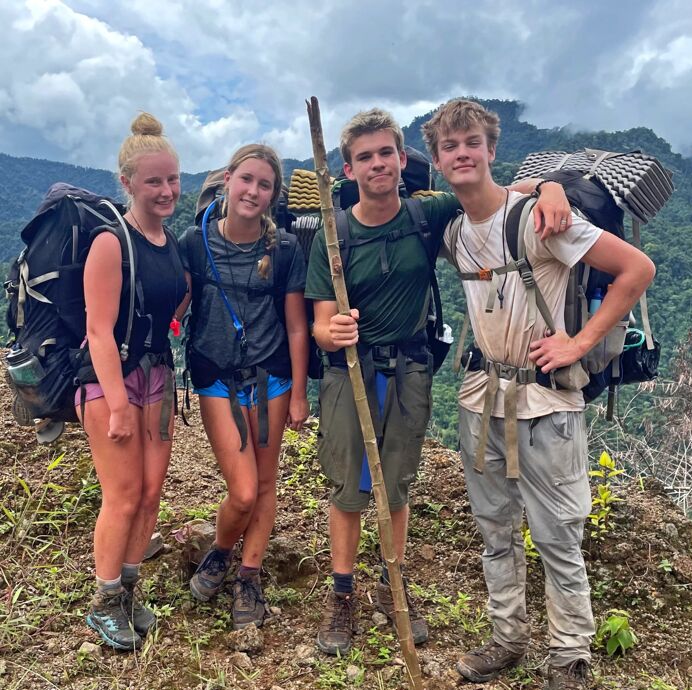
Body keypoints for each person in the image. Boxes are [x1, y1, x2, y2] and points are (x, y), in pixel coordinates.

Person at [305, 107, 572, 656]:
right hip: (350, 373)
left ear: (403, 160)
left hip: (409, 371)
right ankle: (342, 595)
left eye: (386, 153)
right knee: (348, 489)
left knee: (396, 484)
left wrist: (549, 186)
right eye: (364, 157)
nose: (377, 164)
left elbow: (493, 193)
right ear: (349, 170)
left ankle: (392, 583)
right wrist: (333, 330)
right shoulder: (334, 233)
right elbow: (318, 324)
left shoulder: (426, 216)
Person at [421, 99, 655, 690]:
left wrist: (578, 343)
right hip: (482, 399)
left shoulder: (538, 221)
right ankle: (507, 638)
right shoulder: (453, 233)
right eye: (450, 146)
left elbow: (636, 269)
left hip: (546, 402)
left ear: (491, 149)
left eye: (472, 141)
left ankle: (569, 660)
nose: (462, 153)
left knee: (557, 539)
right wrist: (540, 182)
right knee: (495, 531)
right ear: (438, 160)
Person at [183, 144, 309, 630]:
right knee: (242, 490)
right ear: (228, 180)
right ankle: (219, 550)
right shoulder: (195, 244)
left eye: (264, 185)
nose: (253, 191)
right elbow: (179, 304)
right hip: (217, 378)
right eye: (247, 180)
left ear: (273, 196)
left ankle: (249, 574)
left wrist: (299, 392)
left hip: (271, 376)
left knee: (266, 481)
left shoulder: (284, 250)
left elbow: (297, 326)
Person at [82, 112, 189, 650]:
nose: (167, 190)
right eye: (154, 181)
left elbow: (173, 303)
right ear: (127, 182)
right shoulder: (110, 241)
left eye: (172, 179)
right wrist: (119, 405)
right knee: (122, 494)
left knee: (150, 493)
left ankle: (126, 592)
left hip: (158, 376)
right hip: (112, 382)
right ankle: (103, 604)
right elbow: (98, 331)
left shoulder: (168, 242)